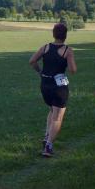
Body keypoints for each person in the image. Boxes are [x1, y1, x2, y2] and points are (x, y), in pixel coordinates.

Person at [29, 23, 77, 157]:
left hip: (45, 85)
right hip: (59, 87)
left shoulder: (45, 47)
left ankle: (46, 137)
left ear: (53, 34)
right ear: (65, 35)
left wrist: (40, 72)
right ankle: (48, 146)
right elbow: (73, 70)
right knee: (57, 117)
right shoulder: (67, 50)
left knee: (52, 110)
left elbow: (32, 61)